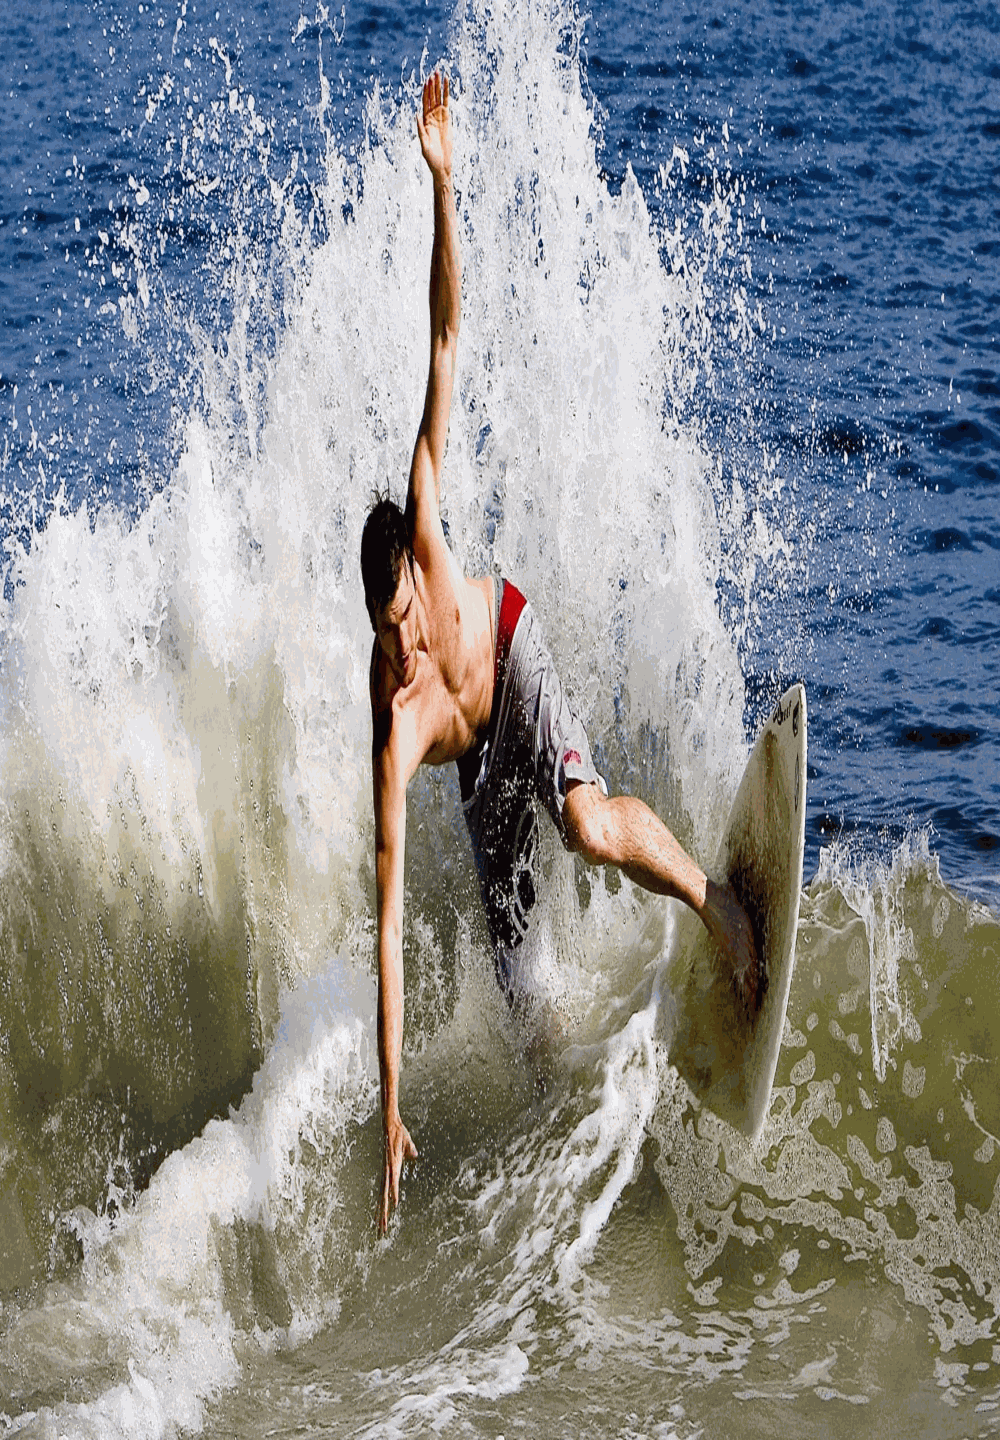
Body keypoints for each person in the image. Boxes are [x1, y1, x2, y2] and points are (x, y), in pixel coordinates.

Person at [361, 71, 758, 1235]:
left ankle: (717, 908)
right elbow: (384, 932)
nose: (403, 647)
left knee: (585, 822)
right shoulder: (394, 731)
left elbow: (443, 329)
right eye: (385, 636)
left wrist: (443, 186)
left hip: (515, 654)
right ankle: (587, 1146)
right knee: (524, 1000)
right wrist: (391, 1108)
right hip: (477, 775)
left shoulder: (428, 530)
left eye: (403, 623)